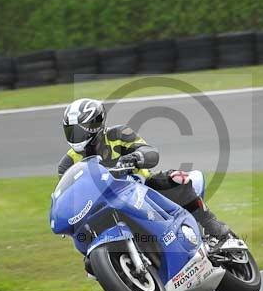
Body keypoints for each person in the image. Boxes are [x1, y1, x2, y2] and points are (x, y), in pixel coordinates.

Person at [57, 98, 230, 248]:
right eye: (71, 131)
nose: (76, 136)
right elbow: (69, 195)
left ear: (95, 125)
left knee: (176, 179)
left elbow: (150, 152)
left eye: (79, 130)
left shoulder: (118, 134)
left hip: (142, 186)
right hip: (103, 203)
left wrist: (135, 157)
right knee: (84, 239)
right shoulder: (67, 164)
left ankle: (214, 227)